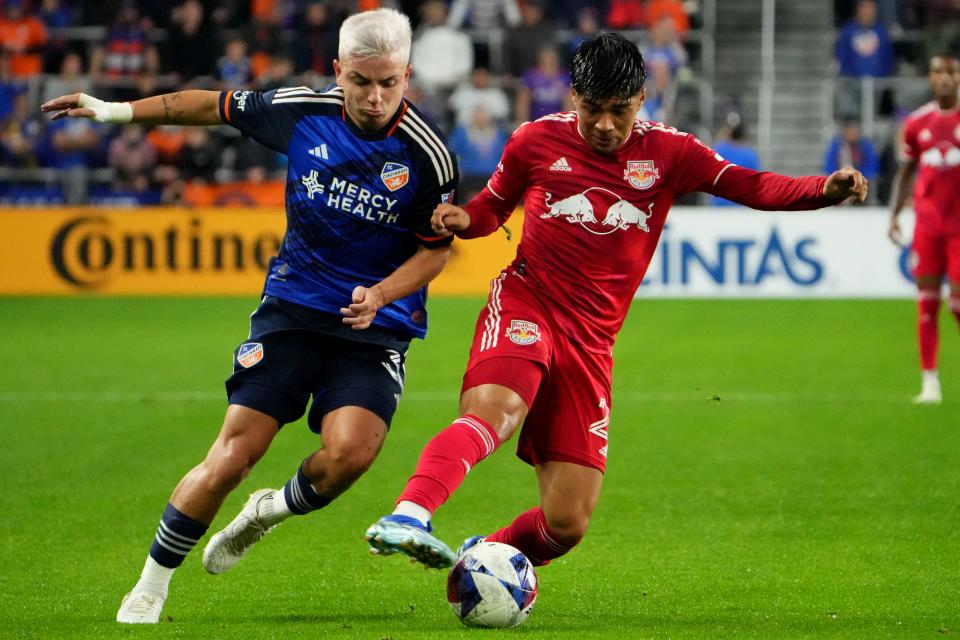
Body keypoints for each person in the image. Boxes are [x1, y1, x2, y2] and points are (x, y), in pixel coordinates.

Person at [364, 33, 867, 570]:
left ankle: (484, 559)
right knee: (497, 413)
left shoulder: (671, 153)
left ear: (642, 98)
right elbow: (492, 206)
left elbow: (752, 185)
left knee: (566, 523)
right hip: (527, 302)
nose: (605, 124)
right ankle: (409, 513)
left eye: (619, 111)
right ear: (573, 97)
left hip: (591, 343)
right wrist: (468, 219)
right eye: (593, 109)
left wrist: (821, 190)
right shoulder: (535, 141)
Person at [42, 7, 459, 623]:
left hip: (372, 329)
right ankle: (152, 584)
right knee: (232, 455)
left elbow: (436, 253)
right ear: (338, 71)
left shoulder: (428, 155)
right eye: (361, 82)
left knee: (350, 456)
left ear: (407, 75)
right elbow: (207, 105)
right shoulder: (300, 111)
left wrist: (381, 293)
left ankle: (270, 510)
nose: (375, 98)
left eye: (389, 83)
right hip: (292, 310)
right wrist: (114, 110)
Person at [888, 53, 960, 405]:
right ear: (930, 79)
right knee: (927, 303)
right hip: (929, 226)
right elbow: (904, 172)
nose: (944, 78)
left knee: (958, 305)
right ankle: (930, 383)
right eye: (937, 72)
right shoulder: (918, 124)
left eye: (950, 72)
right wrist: (894, 214)